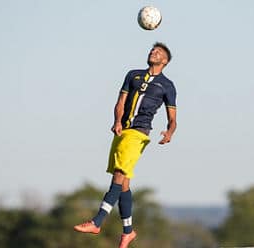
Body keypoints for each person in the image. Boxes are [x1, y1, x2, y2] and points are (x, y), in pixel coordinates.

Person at [74, 42, 177, 248]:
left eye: (158, 52)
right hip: (123, 131)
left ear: (164, 61)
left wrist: (169, 132)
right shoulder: (133, 75)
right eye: (152, 50)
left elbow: (173, 118)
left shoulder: (167, 85)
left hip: (139, 132)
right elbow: (121, 102)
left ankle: (97, 222)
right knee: (124, 183)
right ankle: (128, 232)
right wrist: (117, 121)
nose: (153, 52)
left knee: (119, 174)